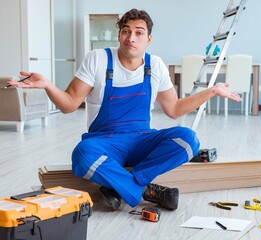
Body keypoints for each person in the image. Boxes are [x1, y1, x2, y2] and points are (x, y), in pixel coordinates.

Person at [7, 9, 241, 211]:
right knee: (82, 154)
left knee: (189, 141)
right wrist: (48, 85)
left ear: (148, 39)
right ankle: (145, 190)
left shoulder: (155, 65)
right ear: (119, 35)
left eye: (139, 32)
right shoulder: (98, 59)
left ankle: (123, 185)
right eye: (126, 31)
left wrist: (211, 91)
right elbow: (69, 104)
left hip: (141, 140)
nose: (131, 38)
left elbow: (174, 109)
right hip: (105, 141)